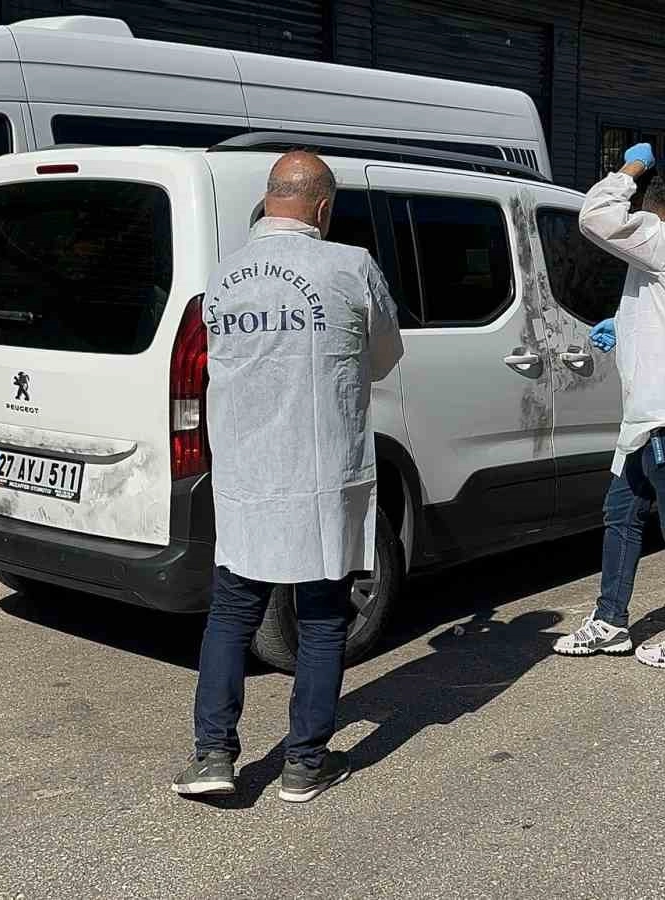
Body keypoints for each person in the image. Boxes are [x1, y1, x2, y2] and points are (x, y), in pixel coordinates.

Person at [175, 151, 403, 803]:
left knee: (231, 613)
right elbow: (384, 356)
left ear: (270, 198)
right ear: (323, 207)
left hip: (247, 472)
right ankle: (305, 763)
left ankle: (213, 756)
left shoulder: (223, 275)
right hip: (322, 472)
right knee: (324, 615)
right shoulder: (350, 266)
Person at [552, 143, 665, 670]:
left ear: (641, 208)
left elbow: (595, 216)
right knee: (621, 513)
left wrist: (628, 169)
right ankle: (610, 621)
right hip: (651, 413)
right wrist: (625, 324)